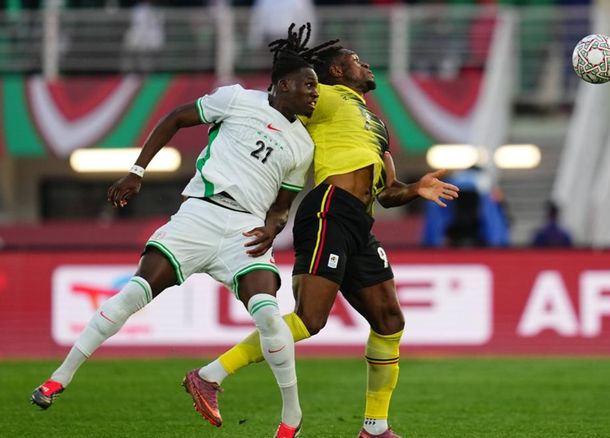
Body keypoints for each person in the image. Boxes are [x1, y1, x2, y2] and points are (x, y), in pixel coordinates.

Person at [31, 31, 320, 438]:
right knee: (134, 293)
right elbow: (175, 119)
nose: (315, 93)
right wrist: (136, 171)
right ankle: (59, 378)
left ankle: (291, 418)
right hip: (199, 215)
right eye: (309, 84)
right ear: (284, 84)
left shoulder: (303, 145)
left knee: (270, 317)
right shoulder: (236, 99)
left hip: (244, 231)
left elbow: (281, 206)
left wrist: (273, 229)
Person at [186, 24, 459, 438]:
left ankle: (375, 427)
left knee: (389, 320)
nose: (366, 65)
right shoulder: (325, 96)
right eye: (356, 60)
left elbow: (387, 193)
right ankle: (211, 374)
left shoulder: (377, 123)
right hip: (329, 209)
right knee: (310, 319)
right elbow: (280, 96)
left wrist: (416, 189)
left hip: (360, 221)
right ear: (336, 70)